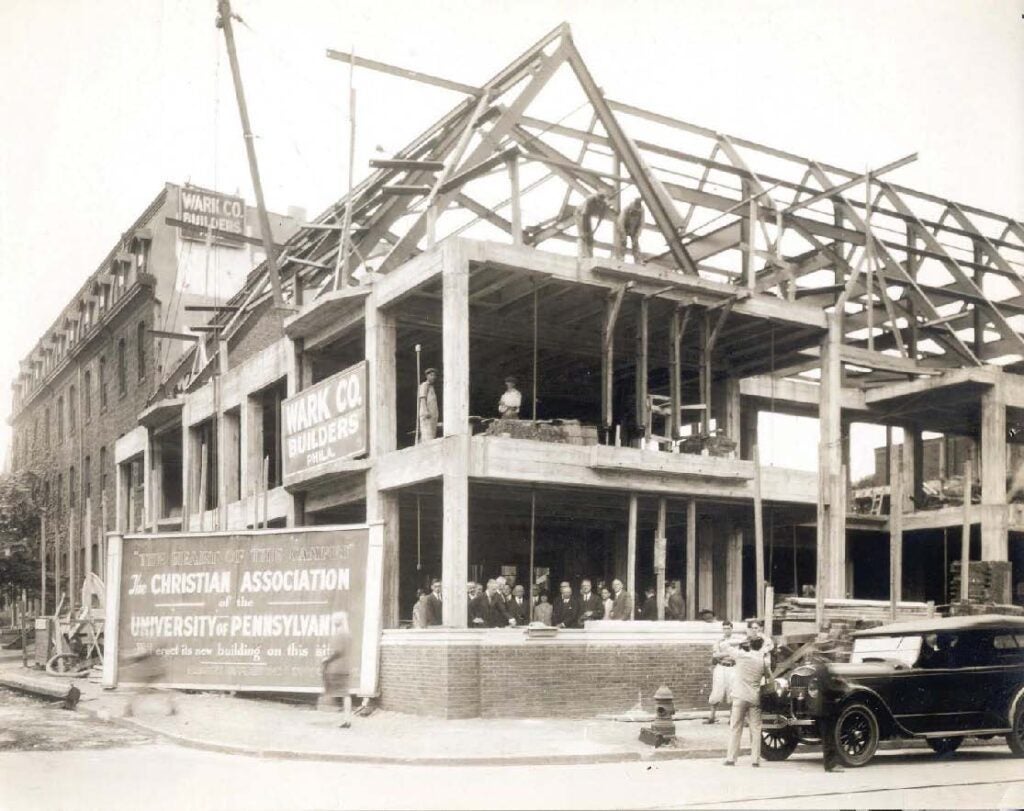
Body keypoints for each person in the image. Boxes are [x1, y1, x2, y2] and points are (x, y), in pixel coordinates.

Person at [722, 636, 770, 767]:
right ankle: (755, 760)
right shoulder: (763, 661)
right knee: (755, 728)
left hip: (739, 695)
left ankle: (731, 758)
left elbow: (724, 645)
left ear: (750, 645)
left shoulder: (741, 656)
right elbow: (769, 678)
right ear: (760, 646)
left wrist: (740, 641)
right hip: (754, 697)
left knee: (735, 727)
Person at [321, 610, 354, 729]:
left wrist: (327, 659)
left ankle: (344, 718)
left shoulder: (339, 635)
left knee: (335, 692)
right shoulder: (348, 635)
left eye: (335, 619)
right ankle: (347, 719)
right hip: (345, 667)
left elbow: (337, 651)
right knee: (345, 694)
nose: (333, 621)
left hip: (336, 668)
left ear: (338, 621)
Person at [706, 620, 736, 724]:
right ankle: (712, 716)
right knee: (717, 690)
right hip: (721, 667)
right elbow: (715, 655)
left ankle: (732, 717)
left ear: (732, 629)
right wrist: (727, 653)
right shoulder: (719, 641)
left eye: (728, 628)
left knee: (733, 691)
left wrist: (723, 654)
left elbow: (736, 656)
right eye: (724, 628)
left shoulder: (736, 641)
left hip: (732, 667)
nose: (726, 630)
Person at [574, 192, 610, 258]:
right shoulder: (590, 200)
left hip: (588, 215)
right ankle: (582, 254)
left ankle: (590, 254)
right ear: (596, 199)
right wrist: (584, 232)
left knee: (590, 237)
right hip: (580, 214)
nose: (599, 204)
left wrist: (595, 228)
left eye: (600, 202)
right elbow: (584, 216)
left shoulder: (604, 205)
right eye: (598, 202)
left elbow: (601, 218)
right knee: (583, 235)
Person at [614, 197, 644, 263]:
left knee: (635, 243)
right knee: (622, 241)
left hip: (634, 228)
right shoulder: (627, 209)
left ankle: (638, 260)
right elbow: (621, 222)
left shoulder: (641, 210)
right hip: (624, 226)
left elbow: (641, 224)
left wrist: (637, 235)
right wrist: (623, 234)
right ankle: (620, 258)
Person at [417, 368, 439, 443]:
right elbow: (422, 398)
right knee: (427, 434)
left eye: (434, 375)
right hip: (427, 414)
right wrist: (425, 411)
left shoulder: (432, 387)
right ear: (427, 376)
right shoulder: (424, 385)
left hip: (432, 415)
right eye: (431, 375)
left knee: (432, 434)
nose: (433, 377)